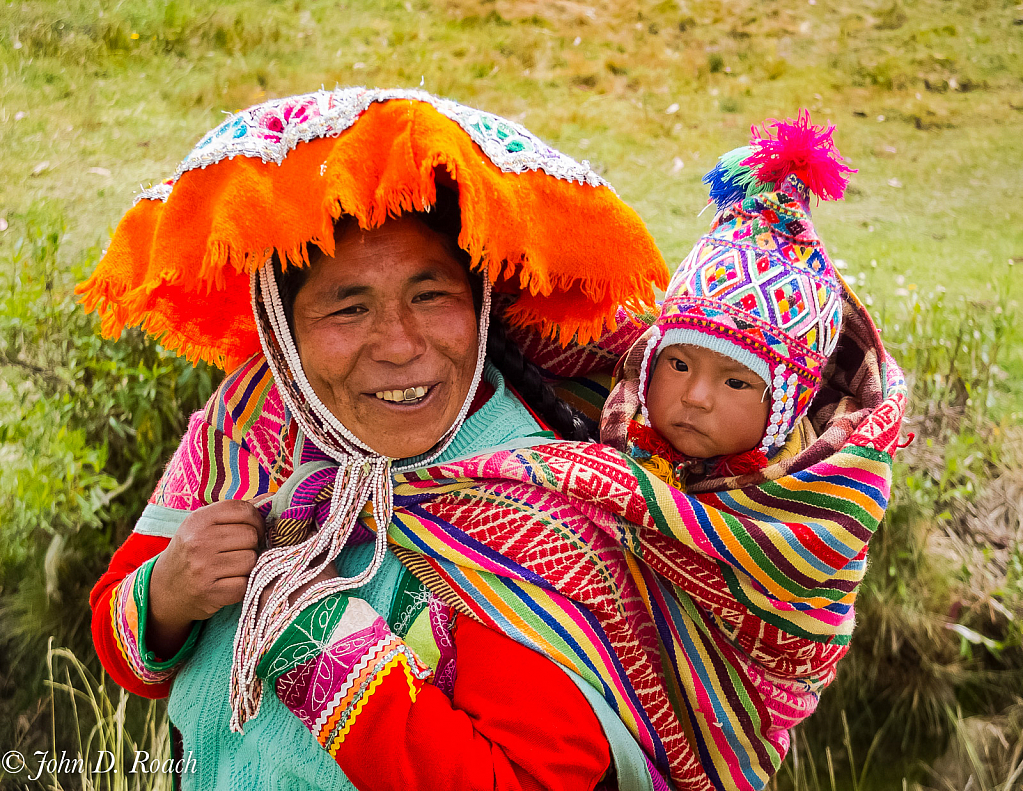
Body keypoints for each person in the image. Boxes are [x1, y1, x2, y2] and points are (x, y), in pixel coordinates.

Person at [82, 92, 908, 791]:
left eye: (430, 293)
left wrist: (318, 640)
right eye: (346, 306)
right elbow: (126, 648)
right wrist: (166, 593)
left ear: (479, 302)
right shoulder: (253, 418)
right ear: (282, 326)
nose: (399, 344)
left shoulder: (538, 511)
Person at [600, 111, 849, 491]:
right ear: (650, 361)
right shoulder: (605, 441)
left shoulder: (811, 511)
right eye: (679, 363)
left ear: (787, 407)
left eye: (735, 382)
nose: (695, 398)